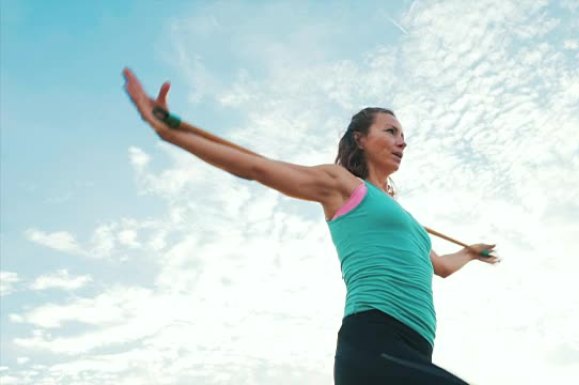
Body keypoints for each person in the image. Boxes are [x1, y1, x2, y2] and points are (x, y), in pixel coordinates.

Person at [123, 68, 500, 384]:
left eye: (403, 135)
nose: (402, 141)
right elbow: (257, 168)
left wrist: (469, 252)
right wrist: (171, 132)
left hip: (416, 347)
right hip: (375, 341)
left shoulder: (407, 221)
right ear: (360, 139)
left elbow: (440, 267)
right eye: (390, 131)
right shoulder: (341, 185)